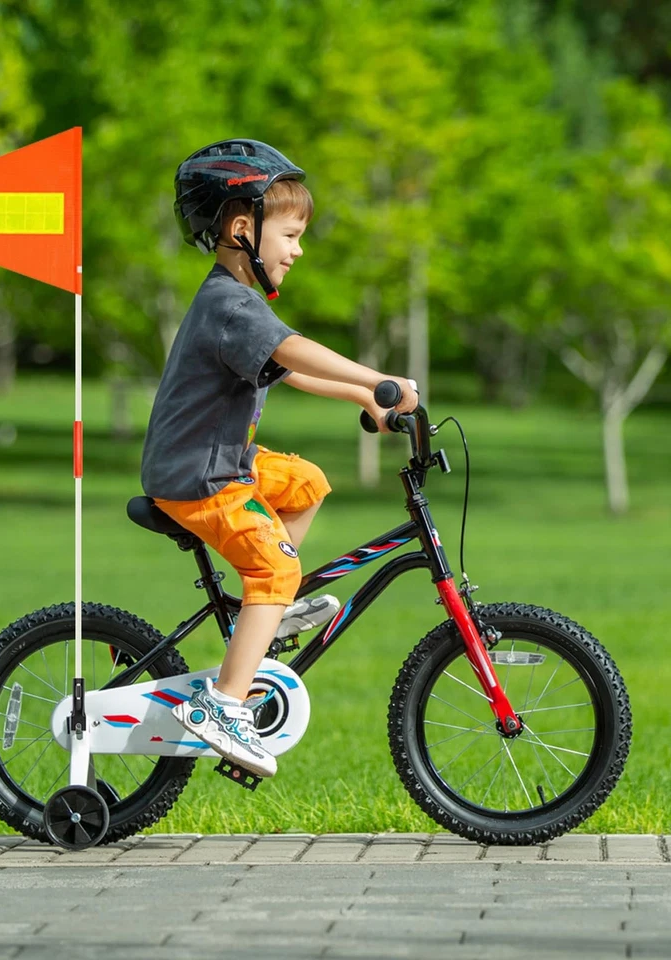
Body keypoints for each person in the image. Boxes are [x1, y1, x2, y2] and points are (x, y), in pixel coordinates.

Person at [139, 139, 418, 777]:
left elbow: (287, 370)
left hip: (216, 460)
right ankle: (222, 705)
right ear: (243, 229)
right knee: (274, 565)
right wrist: (379, 378)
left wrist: (363, 397)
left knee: (304, 482)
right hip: (198, 477)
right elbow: (294, 351)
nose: (297, 250)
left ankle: (269, 610)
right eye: (290, 235)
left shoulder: (236, 302)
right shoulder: (229, 303)